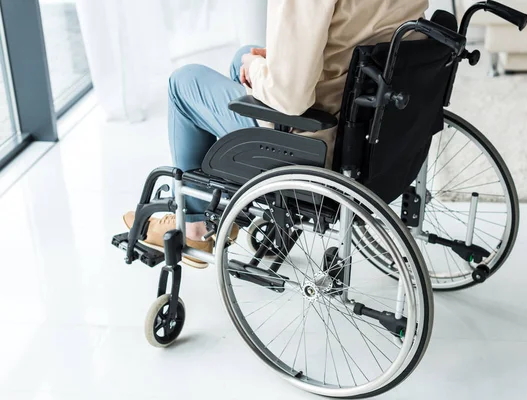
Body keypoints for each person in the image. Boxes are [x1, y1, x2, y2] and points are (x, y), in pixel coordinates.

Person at [124, 0, 429, 268]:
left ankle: (195, 226)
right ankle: (230, 203)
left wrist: (256, 68)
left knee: (185, 81)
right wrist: (267, 61)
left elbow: (291, 99)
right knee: (243, 57)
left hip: (317, 141)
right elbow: (360, 33)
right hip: (374, 129)